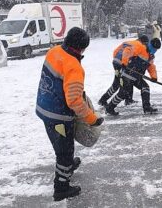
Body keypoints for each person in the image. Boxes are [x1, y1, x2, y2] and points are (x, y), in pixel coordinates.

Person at [36, 27, 104, 201]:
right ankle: (61, 187)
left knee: (63, 146)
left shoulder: (54, 52)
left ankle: (67, 166)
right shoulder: (73, 66)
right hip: (58, 116)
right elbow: (74, 101)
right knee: (64, 151)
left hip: (45, 107)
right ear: (81, 48)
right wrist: (92, 118)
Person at [105, 38, 162, 115]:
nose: (154, 50)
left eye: (156, 49)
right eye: (153, 48)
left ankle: (147, 108)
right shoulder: (140, 48)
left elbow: (151, 67)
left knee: (145, 87)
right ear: (149, 44)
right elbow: (127, 50)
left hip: (136, 77)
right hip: (127, 74)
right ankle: (109, 108)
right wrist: (124, 62)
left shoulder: (151, 56)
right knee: (123, 93)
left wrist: (154, 77)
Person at [98, 35, 150, 107]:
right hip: (123, 64)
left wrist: (118, 59)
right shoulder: (139, 45)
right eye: (146, 44)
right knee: (117, 84)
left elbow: (115, 51)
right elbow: (128, 52)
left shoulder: (128, 42)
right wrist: (124, 62)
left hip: (116, 62)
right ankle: (103, 100)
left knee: (128, 80)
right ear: (144, 42)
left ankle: (128, 99)